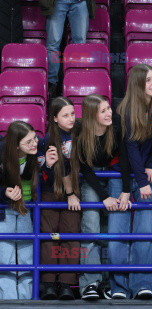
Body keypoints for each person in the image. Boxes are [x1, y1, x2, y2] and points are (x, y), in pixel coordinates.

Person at [69, 94, 131, 300]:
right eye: (103, 111)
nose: (109, 113)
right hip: (91, 177)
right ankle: (90, 282)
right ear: (91, 116)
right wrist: (105, 197)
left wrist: (125, 190)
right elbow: (85, 168)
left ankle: (106, 282)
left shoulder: (116, 126)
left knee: (108, 230)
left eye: (108, 109)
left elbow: (124, 159)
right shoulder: (80, 131)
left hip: (111, 173)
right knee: (92, 226)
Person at [114, 63, 152, 300]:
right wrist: (142, 181)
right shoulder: (125, 110)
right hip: (122, 176)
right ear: (137, 85)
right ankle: (119, 287)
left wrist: (151, 163)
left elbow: (151, 144)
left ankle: (145, 284)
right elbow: (129, 149)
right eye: (148, 80)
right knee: (118, 234)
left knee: (146, 231)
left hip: (142, 174)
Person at [0, 122, 50, 299]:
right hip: (4, 211)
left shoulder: (37, 152)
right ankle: (8, 299)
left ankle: (26, 298)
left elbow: (45, 180)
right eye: (28, 141)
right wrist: (3, 192)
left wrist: (47, 166)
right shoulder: (2, 153)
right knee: (4, 256)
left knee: (26, 256)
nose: (34, 143)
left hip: (26, 209)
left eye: (35, 138)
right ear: (15, 145)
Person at [38, 97, 81, 300]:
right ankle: (47, 284)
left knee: (70, 237)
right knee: (48, 238)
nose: (71, 118)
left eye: (72, 113)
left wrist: (73, 194)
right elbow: (48, 171)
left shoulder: (79, 134)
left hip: (73, 193)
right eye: (65, 115)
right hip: (50, 192)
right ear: (54, 118)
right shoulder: (47, 139)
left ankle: (66, 283)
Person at [39, 0, 95, 97]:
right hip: (57, 2)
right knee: (53, 45)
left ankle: (77, 80)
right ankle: (52, 84)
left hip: (79, 2)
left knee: (80, 46)